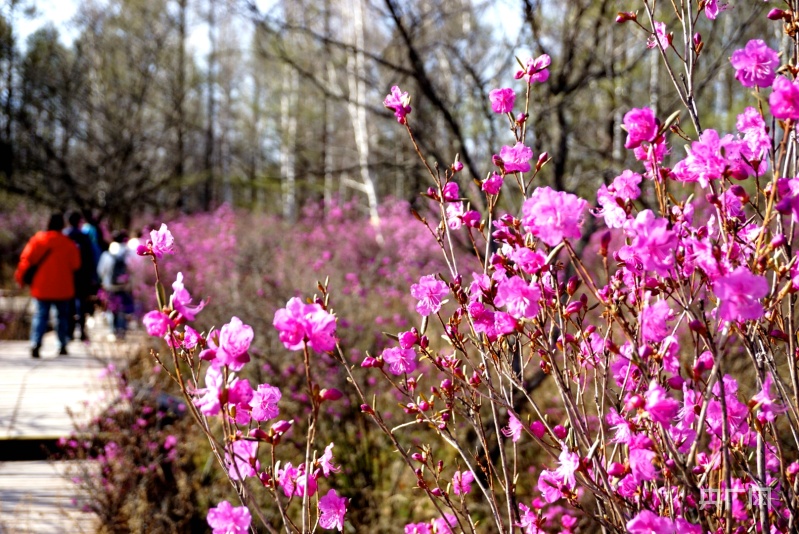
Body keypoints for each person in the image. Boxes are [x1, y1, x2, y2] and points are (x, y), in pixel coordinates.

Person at [15, 212, 81, 358]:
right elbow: (76, 265)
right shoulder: (68, 243)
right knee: (62, 317)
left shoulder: (38, 240)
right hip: (63, 287)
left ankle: (36, 343)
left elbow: (26, 261)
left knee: (40, 316)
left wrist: (20, 279)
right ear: (62, 225)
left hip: (42, 287)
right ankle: (62, 344)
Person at [65, 211, 98, 342]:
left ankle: (69, 332)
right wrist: (93, 276)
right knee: (81, 305)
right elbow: (91, 258)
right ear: (79, 221)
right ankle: (82, 332)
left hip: (68, 276)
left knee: (69, 304)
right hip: (83, 277)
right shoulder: (84, 237)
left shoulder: (65, 236)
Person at [97, 230, 134, 339]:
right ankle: (122, 330)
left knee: (112, 309)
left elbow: (100, 271)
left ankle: (113, 331)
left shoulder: (107, 254)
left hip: (110, 286)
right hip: (125, 286)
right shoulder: (129, 253)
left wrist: (104, 281)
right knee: (123, 308)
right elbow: (134, 270)